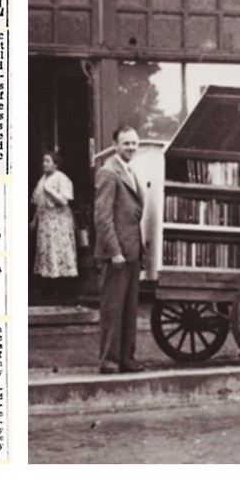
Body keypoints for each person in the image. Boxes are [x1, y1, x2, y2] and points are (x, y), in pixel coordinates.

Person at [94, 126, 147, 374]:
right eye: (126, 144)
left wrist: (139, 252)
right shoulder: (108, 172)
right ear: (115, 146)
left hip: (132, 252)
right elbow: (102, 218)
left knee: (129, 309)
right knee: (113, 310)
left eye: (134, 144)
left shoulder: (130, 171)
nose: (131, 148)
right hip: (117, 255)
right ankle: (109, 361)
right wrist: (114, 251)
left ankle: (126, 359)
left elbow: (133, 217)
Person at [31, 151, 78, 295]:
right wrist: (34, 220)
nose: (44, 164)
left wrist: (50, 191)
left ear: (55, 164)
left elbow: (64, 200)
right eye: (43, 161)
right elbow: (38, 202)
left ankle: (64, 288)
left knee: (59, 252)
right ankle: (49, 287)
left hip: (59, 222)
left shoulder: (61, 178)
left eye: (48, 161)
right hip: (45, 223)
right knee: (46, 253)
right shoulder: (42, 179)